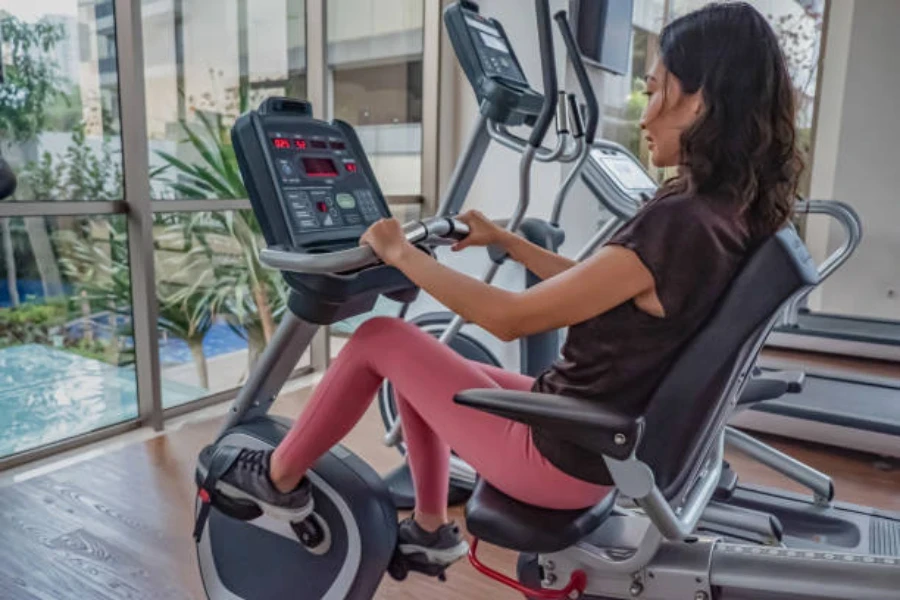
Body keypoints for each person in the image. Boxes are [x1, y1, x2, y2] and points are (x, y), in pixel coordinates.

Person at [200, 1, 802, 571]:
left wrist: (400, 253)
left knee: (378, 337)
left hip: (565, 457)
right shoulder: (724, 213)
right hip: (593, 431)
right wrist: (508, 241)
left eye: (655, 92)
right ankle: (432, 530)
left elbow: (511, 319)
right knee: (424, 363)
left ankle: (276, 481)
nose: (643, 114)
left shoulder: (681, 219)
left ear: (701, 102)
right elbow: (603, 288)